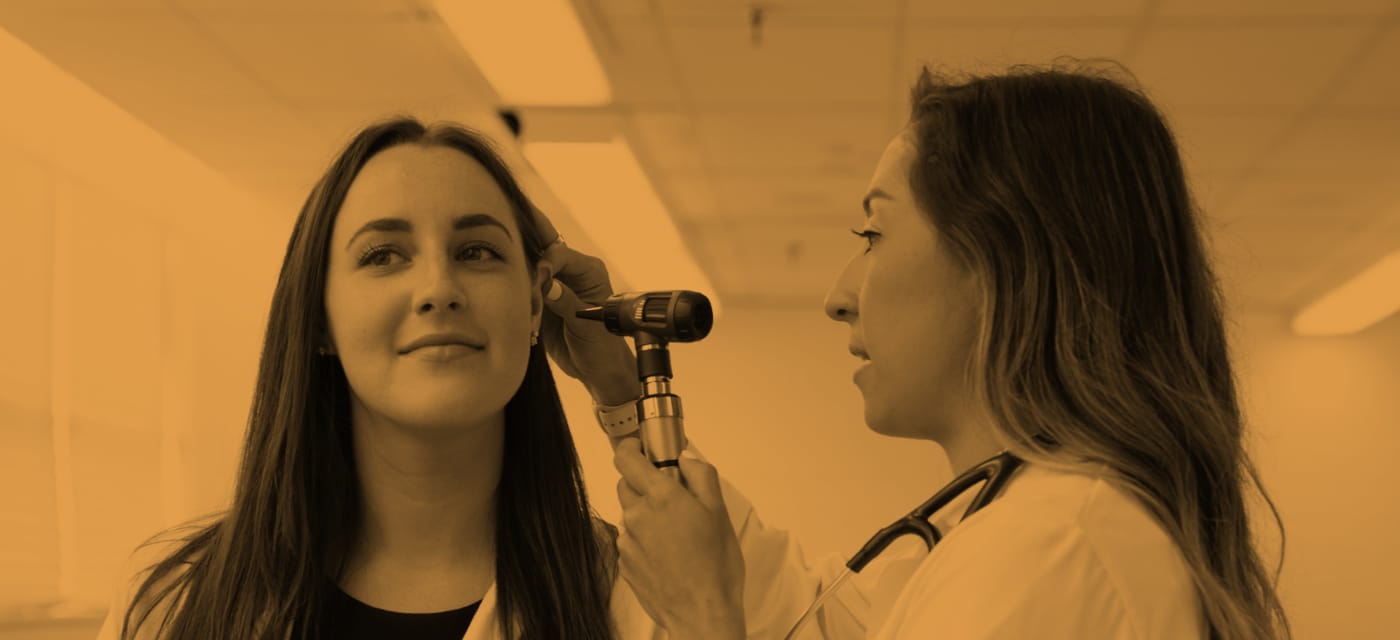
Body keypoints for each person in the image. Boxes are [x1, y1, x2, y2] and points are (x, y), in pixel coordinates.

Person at [537, 62, 1293, 639]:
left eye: (872, 237)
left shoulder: (1049, 549)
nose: (839, 294)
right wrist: (624, 401)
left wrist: (702, 617)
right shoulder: (1006, 526)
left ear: (1004, 265)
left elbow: (739, 609)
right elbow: (806, 618)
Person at [98, 118, 657, 639]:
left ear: (536, 303)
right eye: (383, 255)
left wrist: (620, 388)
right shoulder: (174, 603)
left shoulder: (637, 598)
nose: (439, 288)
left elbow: (727, 582)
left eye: (477, 251)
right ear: (319, 319)